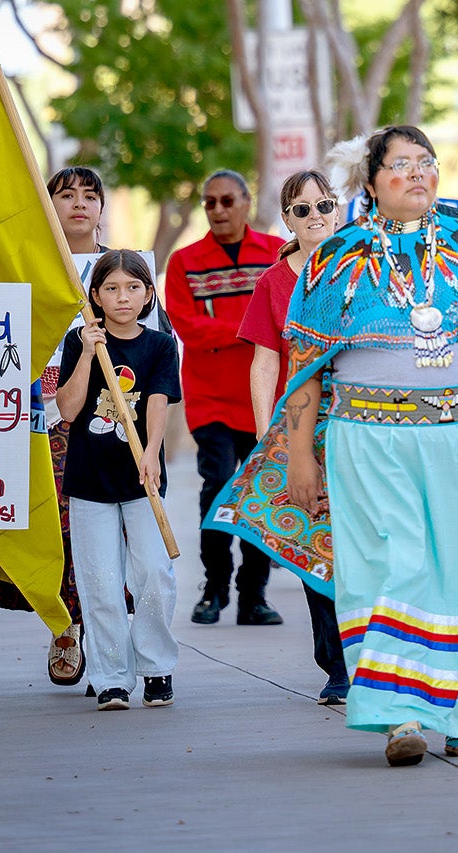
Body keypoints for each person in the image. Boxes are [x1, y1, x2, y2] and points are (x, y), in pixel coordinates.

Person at [277, 126, 458, 765]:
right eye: (401, 165)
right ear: (372, 181)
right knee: (391, 566)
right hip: (368, 440)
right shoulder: (335, 259)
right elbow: (306, 366)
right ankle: (397, 717)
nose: (418, 173)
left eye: (426, 163)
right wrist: (301, 453)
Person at [34, 166, 171, 688]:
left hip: (122, 424)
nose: (78, 204)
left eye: (90, 196)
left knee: (139, 555)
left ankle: (131, 658)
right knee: (66, 540)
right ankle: (67, 631)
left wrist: (152, 445)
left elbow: (158, 368)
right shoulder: (28, 267)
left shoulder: (124, 270)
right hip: (43, 418)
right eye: (65, 195)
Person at [234, 169, 352, 704]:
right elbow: (264, 363)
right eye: (302, 210)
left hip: (369, 422)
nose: (316, 217)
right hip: (304, 432)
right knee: (313, 548)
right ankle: (337, 668)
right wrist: (267, 434)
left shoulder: (367, 267)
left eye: (324, 205)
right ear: (287, 219)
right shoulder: (273, 283)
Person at [54, 251, 180, 711]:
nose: (122, 297)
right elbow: (69, 410)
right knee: (100, 580)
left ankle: (156, 668)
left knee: (152, 572)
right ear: (95, 295)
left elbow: (158, 403)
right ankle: (111, 676)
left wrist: (151, 453)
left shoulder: (160, 346)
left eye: (132, 288)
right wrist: (88, 351)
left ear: (148, 293)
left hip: (141, 477)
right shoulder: (80, 341)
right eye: (111, 288)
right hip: (89, 480)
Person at [164, 169, 286, 626]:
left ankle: (254, 595)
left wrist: (237, 334)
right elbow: (187, 327)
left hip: (267, 399)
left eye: (227, 201)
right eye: (209, 203)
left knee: (260, 495)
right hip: (211, 398)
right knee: (216, 487)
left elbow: (290, 315)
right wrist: (253, 330)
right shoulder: (183, 263)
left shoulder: (278, 253)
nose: (218, 210)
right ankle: (214, 587)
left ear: (247, 202)